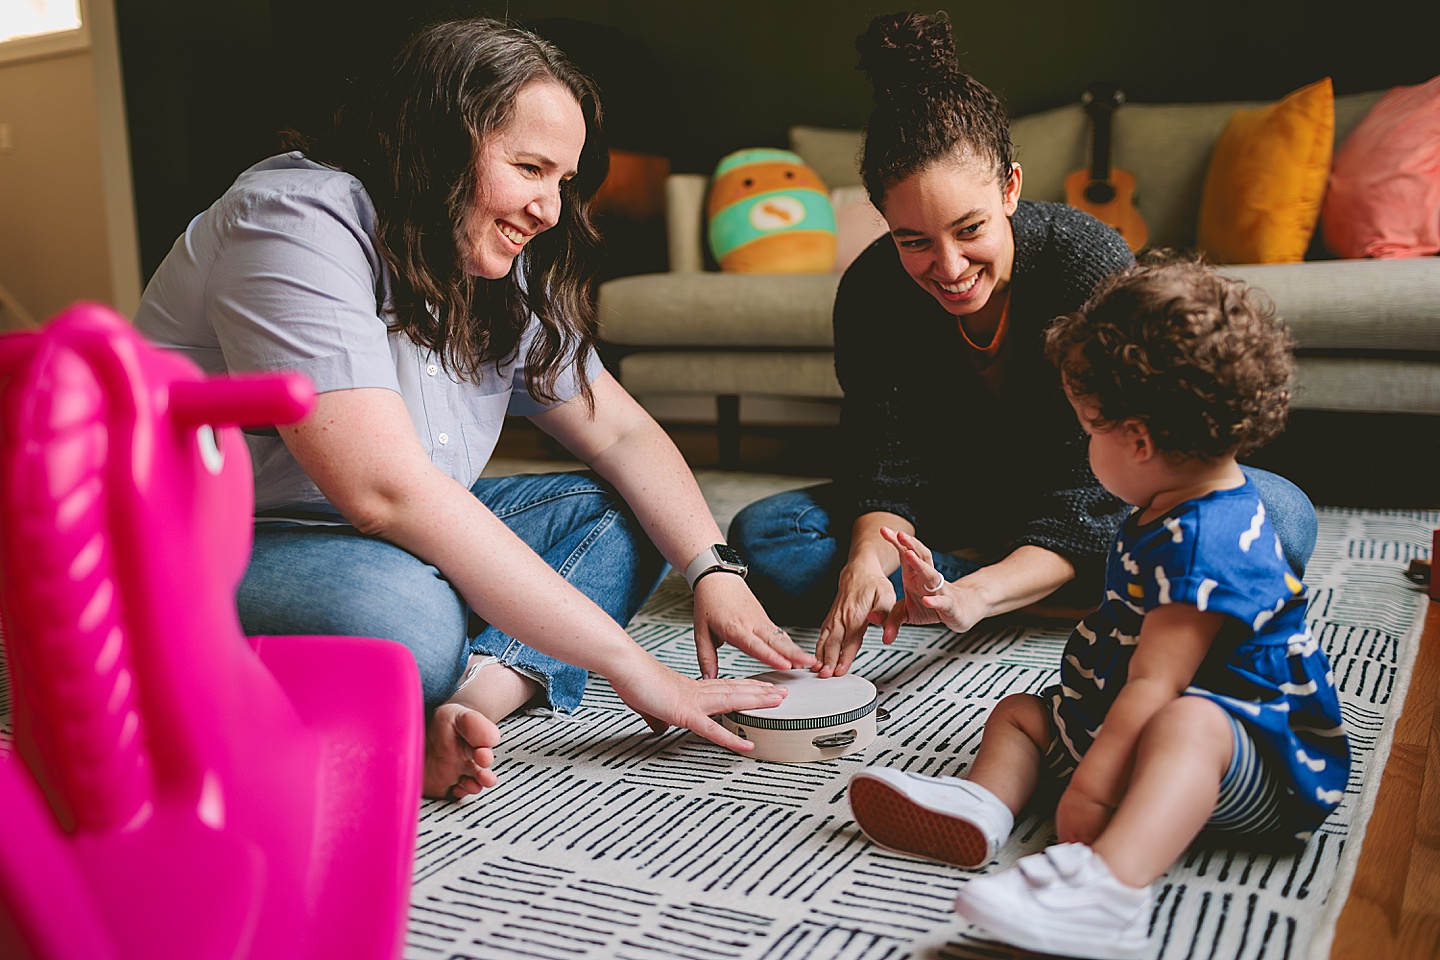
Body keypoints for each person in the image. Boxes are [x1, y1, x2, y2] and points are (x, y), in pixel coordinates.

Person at [131, 17, 814, 801]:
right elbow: (383, 493)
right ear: (436, 144)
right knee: (407, 623)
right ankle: (425, 650)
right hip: (222, 535)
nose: (551, 210)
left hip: (388, 526)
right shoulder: (293, 220)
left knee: (621, 515)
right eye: (529, 168)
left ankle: (468, 706)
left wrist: (711, 569)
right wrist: (634, 667)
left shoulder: (480, 256)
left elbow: (619, 427)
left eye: (562, 181)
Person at [728, 11, 1317, 677]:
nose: (948, 268)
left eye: (969, 228)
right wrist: (867, 561)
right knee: (768, 540)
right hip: (956, 504)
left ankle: (984, 587)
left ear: (1010, 188)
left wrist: (975, 595)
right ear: (885, 221)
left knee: (1278, 517)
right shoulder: (870, 288)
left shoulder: (1086, 260)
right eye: (913, 241)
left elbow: (1105, 474)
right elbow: (885, 467)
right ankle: (1054, 588)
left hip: (1089, 496)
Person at [845, 257, 1351, 960]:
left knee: (1188, 723)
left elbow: (1156, 685)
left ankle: (1113, 892)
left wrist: (1094, 784)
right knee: (1022, 714)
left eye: (1088, 429)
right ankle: (983, 806)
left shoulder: (1208, 539)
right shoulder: (1167, 502)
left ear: (1137, 441)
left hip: (1253, 762)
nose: (1083, 445)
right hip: (1129, 715)